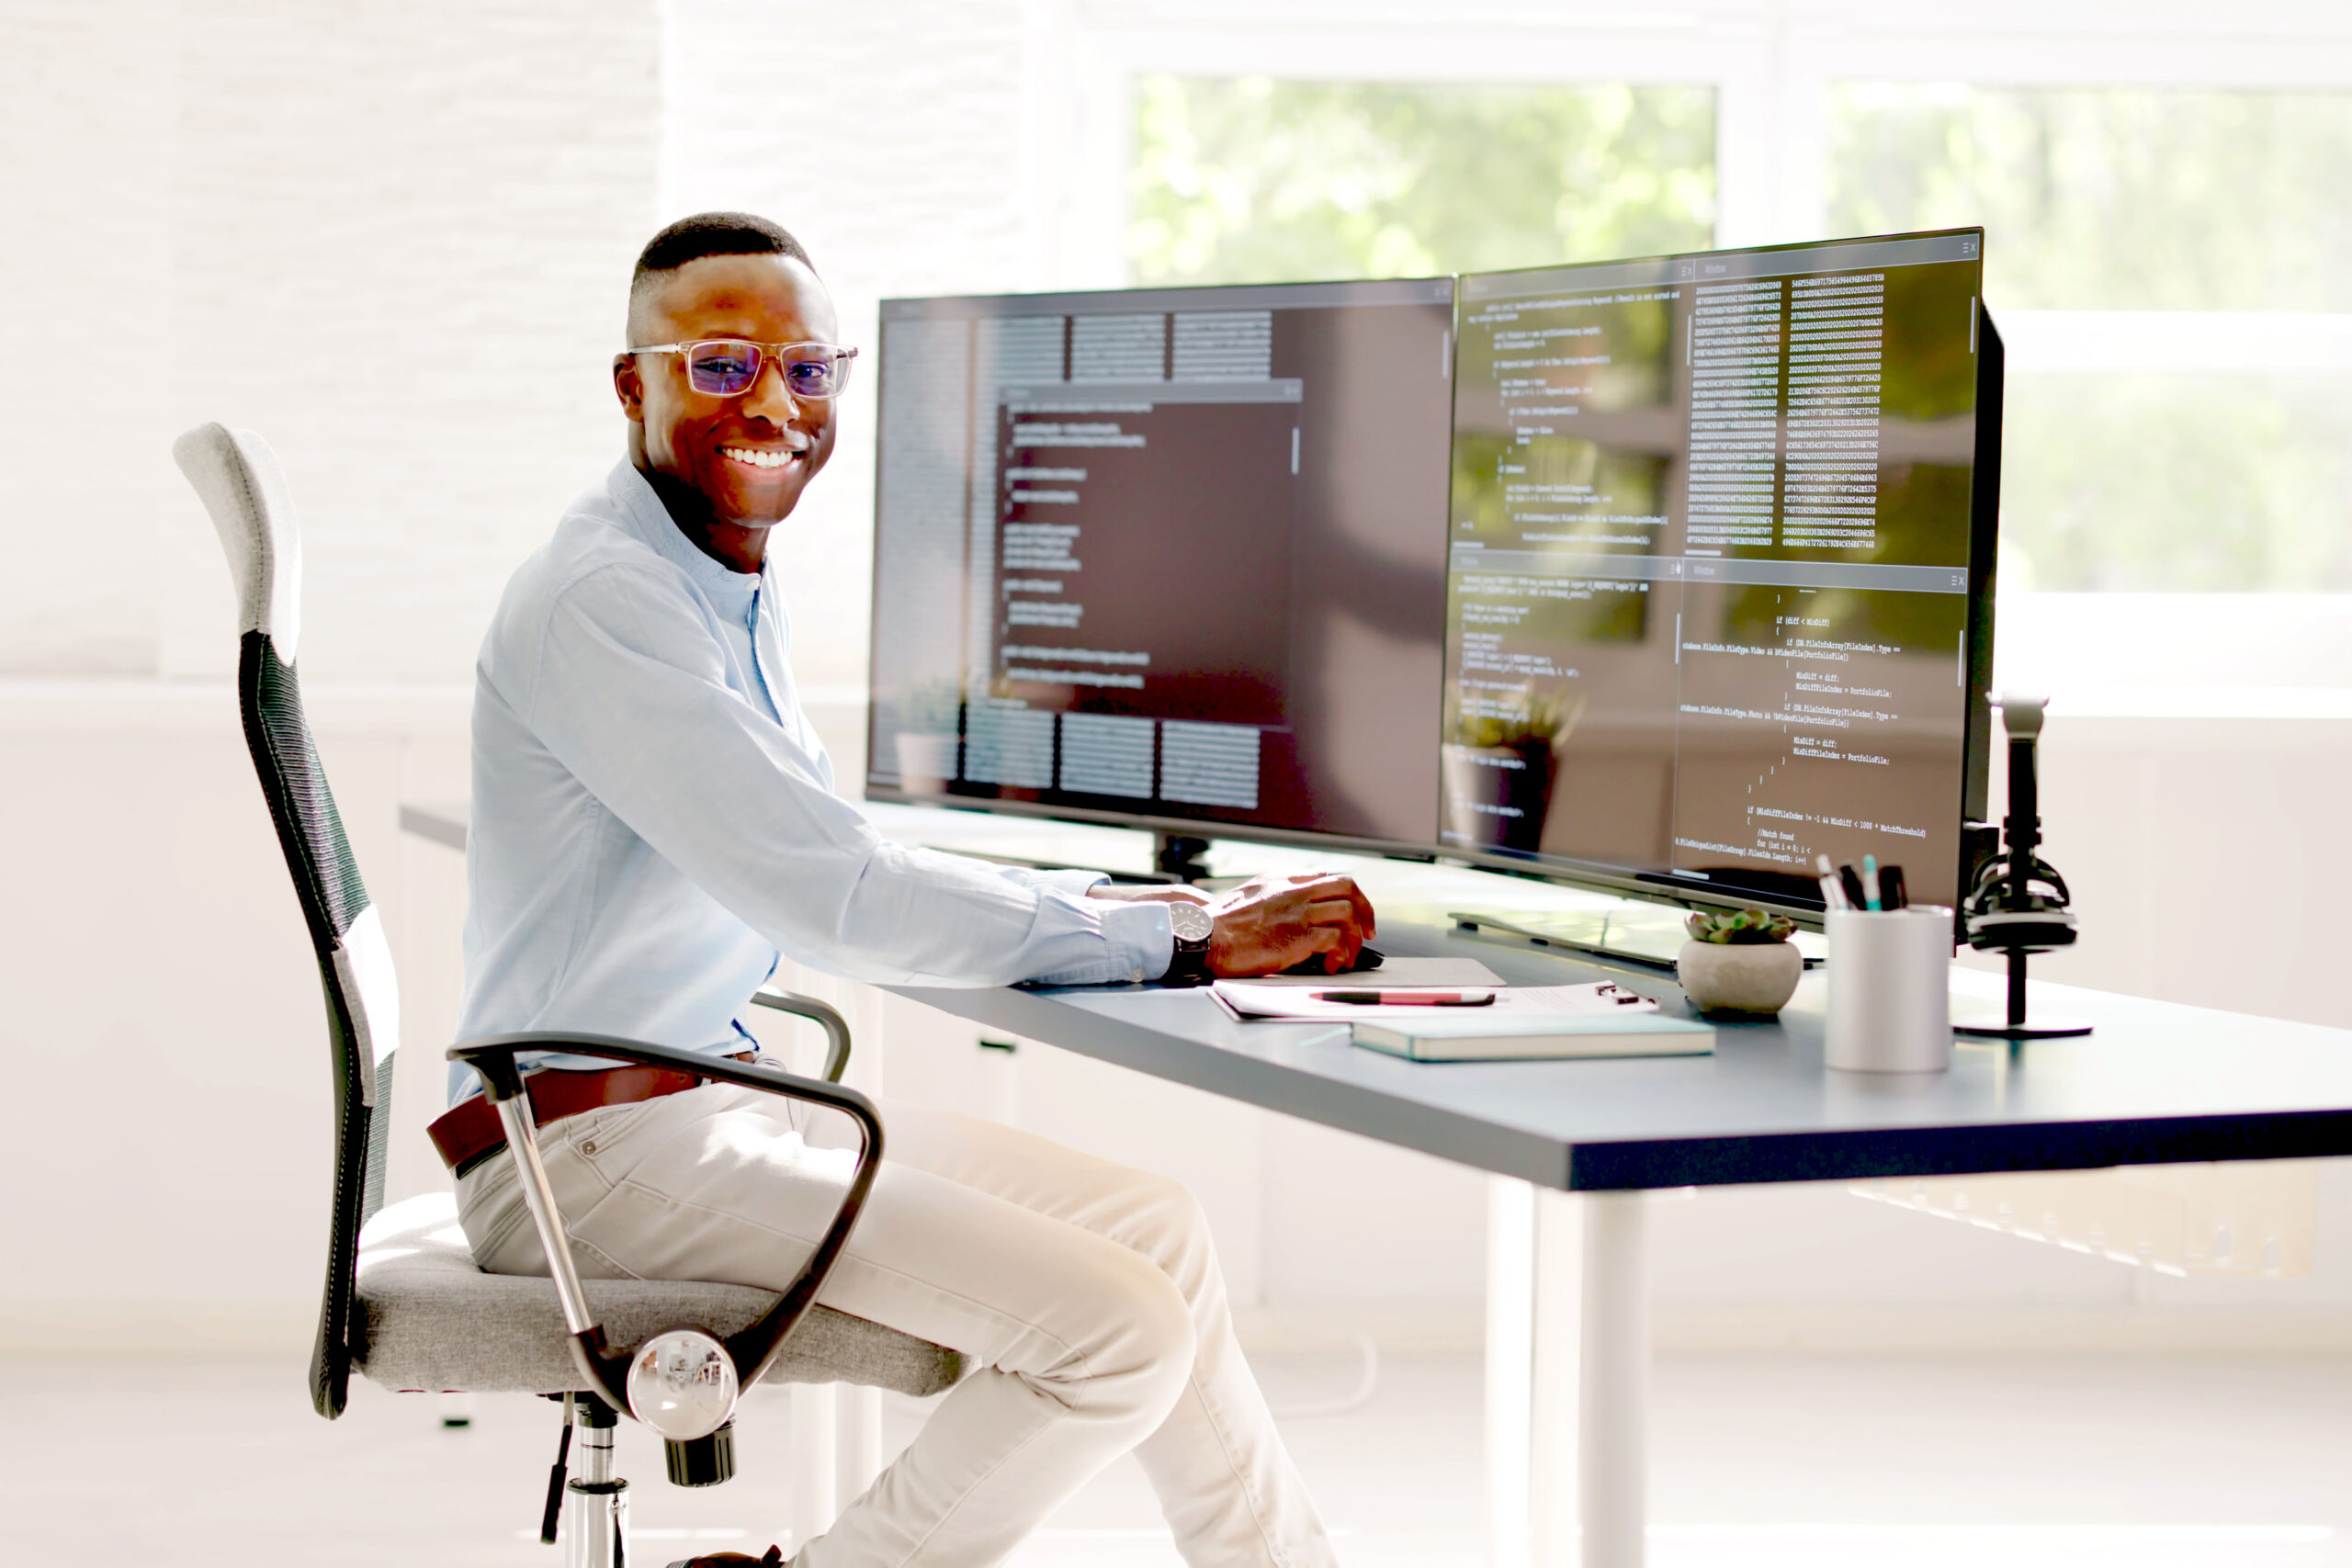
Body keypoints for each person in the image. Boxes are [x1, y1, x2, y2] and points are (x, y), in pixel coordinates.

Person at [445, 210, 1377, 1568]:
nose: (775, 402)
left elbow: (832, 844)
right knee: (1119, 1335)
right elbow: (841, 897)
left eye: (811, 370)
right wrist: (1178, 942)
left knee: (1155, 1233)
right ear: (630, 383)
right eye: (719, 366)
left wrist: (1155, 918)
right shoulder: (608, 598)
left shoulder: (708, 578)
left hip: (702, 1106)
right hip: (587, 1164)